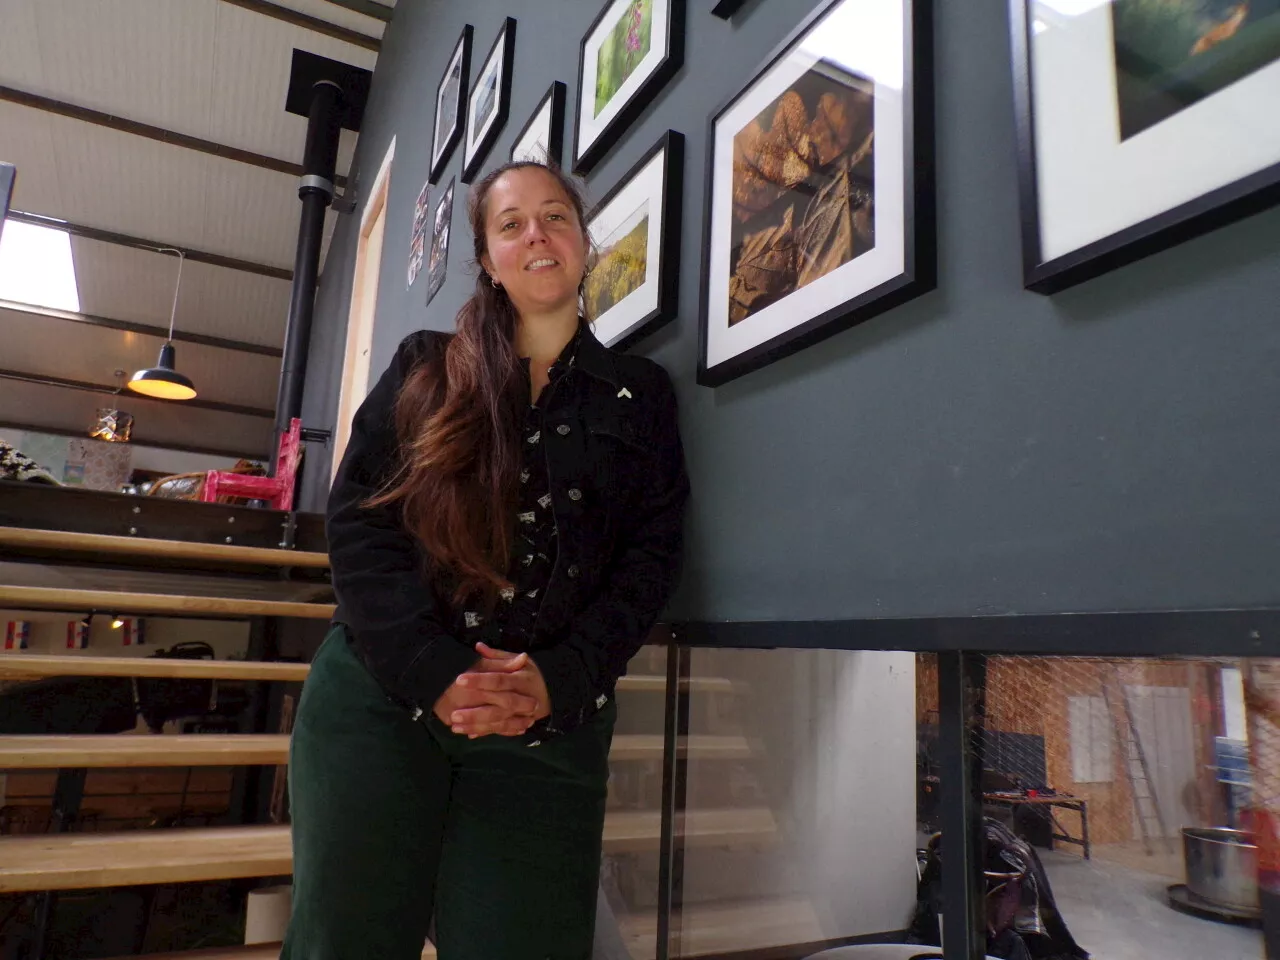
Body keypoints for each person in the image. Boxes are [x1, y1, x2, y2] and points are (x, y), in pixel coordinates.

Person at [282, 160, 690, 960]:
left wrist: (561, 676)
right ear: (488, 257)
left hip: (545, 733)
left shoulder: (641, 396)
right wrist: (434, 670)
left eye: (555, 217)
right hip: (378, 706)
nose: (536, 234)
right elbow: (362, 527)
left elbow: (652, 557)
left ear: (583, 241)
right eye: (511, 224)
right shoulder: (423, 368)